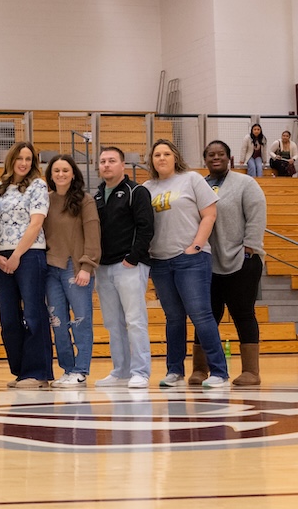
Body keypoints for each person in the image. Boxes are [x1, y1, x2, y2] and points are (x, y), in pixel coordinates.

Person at [142, 138, 228, 388]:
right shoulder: (146, 188)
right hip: (160, 261)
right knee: (173, 318)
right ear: (152, 160)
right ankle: (174, 371)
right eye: (157, 154)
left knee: (201, 315)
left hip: (191, 259)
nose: (161, 158)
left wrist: (196, 246)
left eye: (166, 153)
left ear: (175, 157)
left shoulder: (191, 179)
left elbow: (210, 214)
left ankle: (219, 372)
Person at [201, 141, 267, 387]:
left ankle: (251, 371)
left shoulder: (245, 183)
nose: (215, 158)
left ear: (230, 158)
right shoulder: (200, 184)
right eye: (211, 155)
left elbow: (256, 214)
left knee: (243, 313)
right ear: (205, 159)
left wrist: (250, 247)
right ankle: (200, 369)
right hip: (207, 264)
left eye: (220, 154)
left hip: (243, 260)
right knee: (206, 316)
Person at [0, 142, 52, 388]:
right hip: (1, 256)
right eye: (19, 158)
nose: (23, 163)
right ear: (11, 160)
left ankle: (39, 373)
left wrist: (16, 255)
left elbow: (36, 223)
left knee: (34, 314)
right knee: (9, 318)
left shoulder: (38, 185)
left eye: (28, 159)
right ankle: (21, 370)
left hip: (30, 254)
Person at [92, 146, 155, 388]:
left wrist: (133, 257)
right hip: (103, 267)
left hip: (129, 265)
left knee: (135, 320)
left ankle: (140, 371)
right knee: (112, 322)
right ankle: (121, 370)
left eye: (111, 161)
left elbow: (146, 227)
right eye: (102, 161)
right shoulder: (97, 196)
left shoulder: (136, 191)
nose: (106, 165)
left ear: (122, 166)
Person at [43, 155, 101, 388]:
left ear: (73, 173)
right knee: (58, 322)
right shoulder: (45, 200)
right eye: (56, 170)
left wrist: (86, 266)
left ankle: (81, 370)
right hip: (50, 269)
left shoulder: (85, 201)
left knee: (81, 321)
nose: (61, 174)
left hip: (75, 268)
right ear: (50, 175)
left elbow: (93, 235)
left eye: (65, 170)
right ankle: (67, 369)